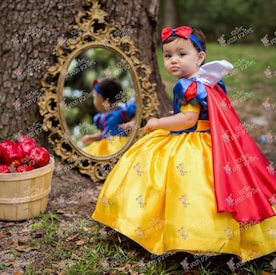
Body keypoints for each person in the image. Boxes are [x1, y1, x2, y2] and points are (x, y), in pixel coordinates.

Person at [92, 26, 276, 262]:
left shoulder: (186, 86)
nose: (173, 60)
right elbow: (199, 114)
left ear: (200, 57)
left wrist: (158, 122)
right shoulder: (206, 82)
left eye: (182, 54)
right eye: (168, 55)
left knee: (179, 179)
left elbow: (188, 119)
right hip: (209, 138)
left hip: (193, 140)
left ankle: (189, 237)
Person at [81, 77, 136, 156]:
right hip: (104, 146)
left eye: (94, 97)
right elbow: (103, 135)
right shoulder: (101, 117)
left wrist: (132, 123)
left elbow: (139, 112)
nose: (94, 100)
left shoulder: (122, 111)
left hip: (118, 145)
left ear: (100, 98)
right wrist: (91, 137)